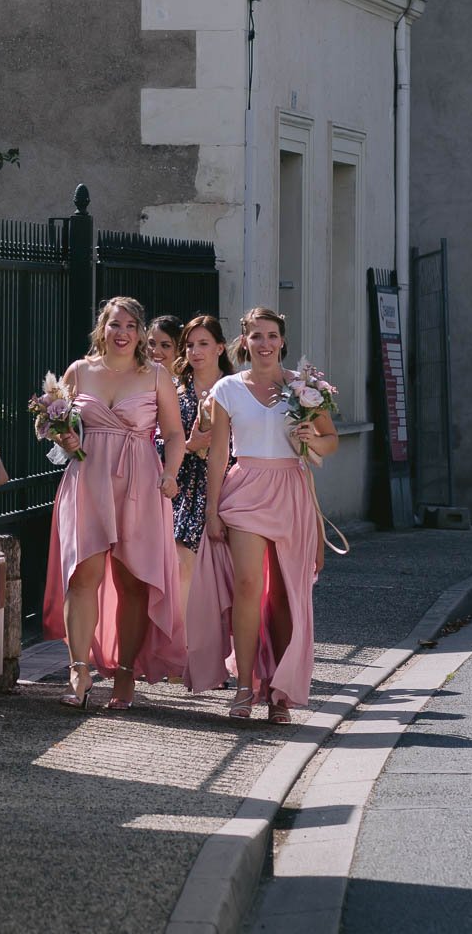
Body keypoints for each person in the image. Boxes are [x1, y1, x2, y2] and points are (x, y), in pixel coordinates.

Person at [187, 306, 338, 723]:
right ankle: (243, 687)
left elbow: (330, 442)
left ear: (283, 341)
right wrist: (213, 512)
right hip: (245, 491)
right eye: (256, 336)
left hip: (291, 491)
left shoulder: (306, 387)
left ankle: (280, 693)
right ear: (243, 342)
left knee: (289, 594)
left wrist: (312, 439)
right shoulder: (228, 389)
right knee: (248, 586)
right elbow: (217, 455)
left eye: (271, 335)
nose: (265, 344)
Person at [42, 296, 187, 711]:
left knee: (133, 581)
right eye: (114, 324)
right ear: (101, 329)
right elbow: (56, 422)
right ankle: (78, 669)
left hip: (140, 480)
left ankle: (125, 675)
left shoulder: (156, 375)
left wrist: (170, 472)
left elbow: (175, 435)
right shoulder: (78, 371)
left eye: (130, 326)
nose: (121, 333)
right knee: (82, 575)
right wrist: (63, 437)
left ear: (141, 333)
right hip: (88, 479)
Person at [167, 314, 236, 617]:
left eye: (203, 344)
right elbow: (157, 444)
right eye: (189, 345)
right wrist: (191, 445)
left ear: (220, 348)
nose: (195, 352)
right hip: (182, 487)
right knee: (182, 566)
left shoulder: (237, 389)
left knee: (227, 574)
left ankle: (220, 646)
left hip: (229, 484)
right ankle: (181, 650)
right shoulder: (172, 390)